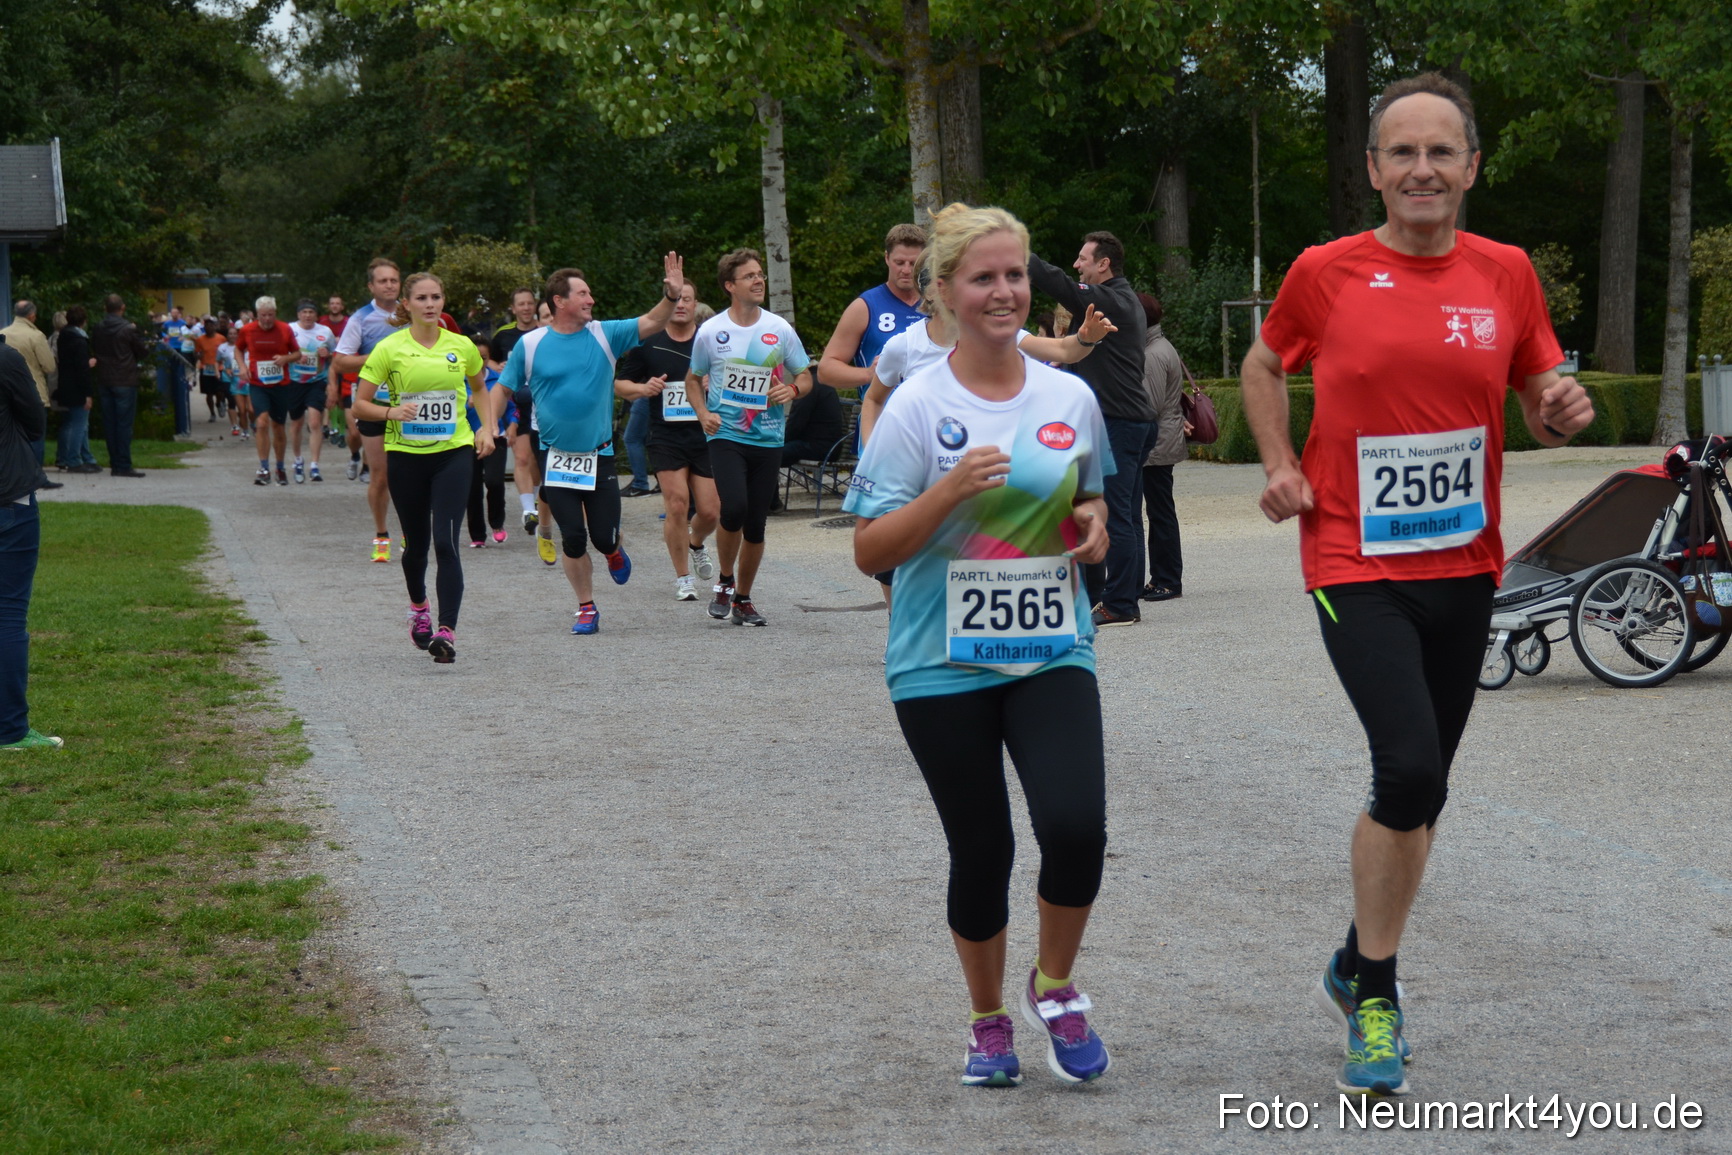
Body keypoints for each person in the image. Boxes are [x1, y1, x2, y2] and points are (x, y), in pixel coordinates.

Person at [1241, 73, 1594, 1097]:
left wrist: (1561, 406)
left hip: (1466, 561)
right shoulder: (1326, 271)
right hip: (1353, 558)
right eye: (1402, 152)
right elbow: (1264, 367)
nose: (1422, 170)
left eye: (1441, 152)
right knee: (1403, 768)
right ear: (1372, 170)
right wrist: (1278, 464)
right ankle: (1379, 993)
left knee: (1427, 783)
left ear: (1472, 166)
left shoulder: (1506, 273)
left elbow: (1536, 395)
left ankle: (1353, 957)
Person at [844, 202, 1113, 1088]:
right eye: (984, 277)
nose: (1004, 292)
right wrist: (950, 491)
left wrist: (1093, 526)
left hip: (1050, 647)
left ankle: (1057, 986)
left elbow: (1085, 497)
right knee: (984, 847)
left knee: (1075, 826)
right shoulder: (919, 406)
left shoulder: (1068, 395)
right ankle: (988, 1018)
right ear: (947, 291)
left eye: (1015, 275)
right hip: (938, 661)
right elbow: (870, 550)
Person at [498, 255, 685, 634]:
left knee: (601, 536)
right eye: (583, 294)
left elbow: (652, 322)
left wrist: (670, 295)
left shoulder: (605, 334)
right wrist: (489, 427)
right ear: (559, 301)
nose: (591, 300)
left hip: (598, 457)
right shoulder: (531, 344)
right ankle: (586, 606)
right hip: (556, 457)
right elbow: (501, 388)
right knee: (573, 537)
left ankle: (614, 550)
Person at [352, 272, 496, 663]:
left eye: (436, 297)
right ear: (408, 304)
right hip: (406, 455)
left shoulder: (462, 345)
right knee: (416, 546)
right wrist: (391, 411)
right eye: (421, 298)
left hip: (454, 452)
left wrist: (486, 429)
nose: (430, 304)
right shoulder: (389, 348)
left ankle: (446, 631)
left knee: (447, 541)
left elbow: (480, 388)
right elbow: (359, 406)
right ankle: (419, 609)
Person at [1028, 231, 1152, 627]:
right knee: (1128, 516)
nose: (1077, 265)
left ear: (1104, 264)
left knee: (1116, 517)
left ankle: (1119, 604)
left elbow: (1059, 283)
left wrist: (1012, 247)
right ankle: (1122, 598)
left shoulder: (1111, 299)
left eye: (1084, 259)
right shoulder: (1123, 299)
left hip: (1120, 421)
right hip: (1130, 420)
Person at [686, 249, 814, 627]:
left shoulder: (779, 329)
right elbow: (693, 380)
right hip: (726, 434)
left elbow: (805, 375)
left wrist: (791, 391)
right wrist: (703, 413)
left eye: (760, 275)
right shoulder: (711, 332)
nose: (759, 281)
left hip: (769, 437)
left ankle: (743, 597)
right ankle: (724, 581)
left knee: (756, 523)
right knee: (734, 508)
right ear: (730, 285)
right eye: (750, 276)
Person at [615, 279, 717, 600]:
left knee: (712, 511)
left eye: (688, 299)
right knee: (676, 504)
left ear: (696, 303)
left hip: (705, 433)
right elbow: (620, 384)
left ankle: (695, 542)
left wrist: (717, 384)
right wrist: (644, 390)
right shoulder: (650, 343)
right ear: (669, 303)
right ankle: (683, 578)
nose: (682, 304)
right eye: (677, 299)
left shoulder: (711, 340)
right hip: (665, 435)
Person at [0, 340, 58, 750]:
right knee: (7, 613)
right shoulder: (5, 358)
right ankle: (10, 729)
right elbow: (35, 419)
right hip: (8, 495)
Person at [333, 258, 404, 560]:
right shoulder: (361, 319)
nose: (389, 285)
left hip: (411, 406)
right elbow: (340, 361)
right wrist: (379, 358)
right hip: (373, 403)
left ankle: (410, 532)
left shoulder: (411, 313)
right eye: (383, 281)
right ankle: (381, 534)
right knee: (381, 475)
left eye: (394, 280)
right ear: (371, 286)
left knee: (410, 474)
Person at [817, 223, 928, 398]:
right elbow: (825, 370)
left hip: (928, 419)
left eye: (913, 263)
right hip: (880, 418)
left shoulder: (938, 305)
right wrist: (869, 374)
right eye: (899, 263)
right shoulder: (866, 306)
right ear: (886, 258)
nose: (906, 270)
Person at [487, 287, 552, 555]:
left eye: (529, 304)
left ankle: (538, 503)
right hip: (516, 401)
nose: (525, 308)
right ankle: (528, 510)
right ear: (513, 309)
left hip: (544, 401)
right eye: (520, 304)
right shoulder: (504, 335)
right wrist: (495, 367)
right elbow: (487, 358)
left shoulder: (548, 332)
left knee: (538, 462)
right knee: (522, 457)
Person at [1136, 294, 1186, 603]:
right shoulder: (1159, 346)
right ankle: (1161, 577)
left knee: (1160, 513)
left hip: (1156, 444)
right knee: (1159, 511)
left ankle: (1167, 579)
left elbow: (1149, 404)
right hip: (1161, 440)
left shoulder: (1152, 354)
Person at [234, 297, 304, 486]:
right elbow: (238, 349)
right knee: (262, 422)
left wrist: (285, 358)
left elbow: (298, 354)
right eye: (263, 316)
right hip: (258, 384)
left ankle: (280, 468)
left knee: (278, 427)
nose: (267, 319)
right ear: (256, 315)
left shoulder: (284, 329)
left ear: (275, 314)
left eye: (270, 315)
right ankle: (263, 467)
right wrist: (242, 367)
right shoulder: (247, 330)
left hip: (280, 385)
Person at [89, 294, 151, 477]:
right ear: (122, 308)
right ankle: (123, 464)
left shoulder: (98, 328)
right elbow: (142, 352)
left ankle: (115, 462)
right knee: (124, 424)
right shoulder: (128, 329)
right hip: (124, 379)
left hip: (105, 379)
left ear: (105, 308)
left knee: (110, 423)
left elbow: (95, 348)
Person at [466, 338, 510, 547]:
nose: (479, 361)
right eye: (475, 357)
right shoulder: (458, 380)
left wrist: (514, 425)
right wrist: (467, 404)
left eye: (483, 357)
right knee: (471, 488)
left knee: (494, 481)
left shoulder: (498, 379)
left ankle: (497, 523)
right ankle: (477, 535)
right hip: (467, 440)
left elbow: (511, 407)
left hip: (495, 436)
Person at [287, 300, 336, 482]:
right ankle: (298, 460)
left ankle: (315, 465)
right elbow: (282, 352)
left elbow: (335, 357)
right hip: (294, 382)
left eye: (310, 312)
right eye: (304, 312)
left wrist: (328, 354)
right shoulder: (289, 329)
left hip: (317, 382)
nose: (307, 315)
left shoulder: (325, 332)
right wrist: (292, 357)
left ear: (316, 315)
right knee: (297, 424)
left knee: (315, 422)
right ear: (298, 314)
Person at [50, 305, 99, 473]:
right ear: (84, 322)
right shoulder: (79, 340)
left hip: (65, 384)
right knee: (80, 424)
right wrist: (88, 394)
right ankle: (74, 460)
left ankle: (68, 457)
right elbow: (81, 370)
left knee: (70, 423)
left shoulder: (62, 337)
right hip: (77, 388)